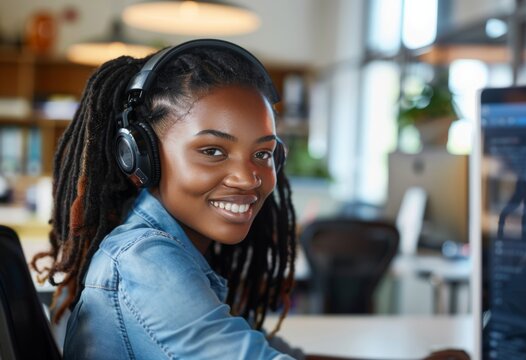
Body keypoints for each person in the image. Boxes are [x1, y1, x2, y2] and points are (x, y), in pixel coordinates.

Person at [30, 39, 355, 360]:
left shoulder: (175, 247)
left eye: (262, 153)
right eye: (213, 151)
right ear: (140, 158)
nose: (247, 178)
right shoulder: (145, 262)